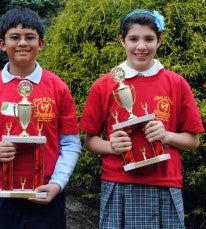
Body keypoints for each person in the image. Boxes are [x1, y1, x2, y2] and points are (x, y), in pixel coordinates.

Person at [79, 9, 204, 228]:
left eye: (149, 39)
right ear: (122, 41)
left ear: (159, 41)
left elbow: (193, 141)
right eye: (133, 39)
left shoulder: (176, 84)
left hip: (164, 181)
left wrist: (166, 135)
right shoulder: (104, 85)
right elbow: (90, 141)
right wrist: (111, 146)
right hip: (119, 181)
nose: (141, 47)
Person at [0, 7, 81, 229]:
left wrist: (57, 184)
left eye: (30, 37)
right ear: (2, 44)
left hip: (45, 193)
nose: (22, 43)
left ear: (41, 43)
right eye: (15, 37)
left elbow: (70, 143)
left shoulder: (57, 87)